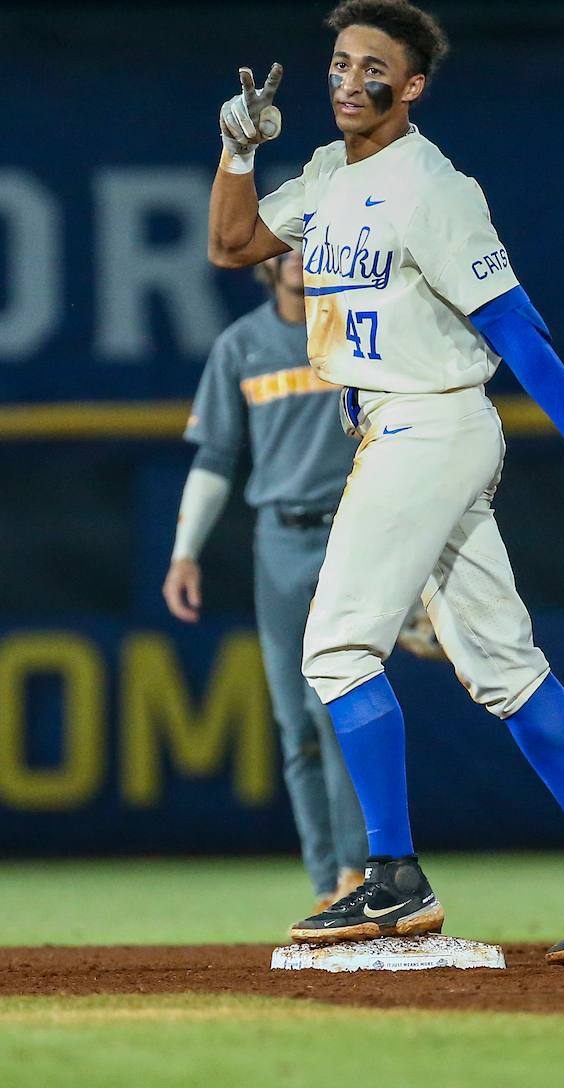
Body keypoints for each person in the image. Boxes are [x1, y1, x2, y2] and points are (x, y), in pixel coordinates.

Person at [207, 0, 564, 966]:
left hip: (426, 425)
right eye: (337, 64)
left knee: (335, 653)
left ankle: (391, 879)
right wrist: (237, 152)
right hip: (407, 429)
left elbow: (512, 321)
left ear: (412, 84)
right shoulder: (330, 174)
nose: (347, 81)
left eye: (370, 66)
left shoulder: (434, 186)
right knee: (502, 668)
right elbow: (233, 245)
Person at [162, 249, 368, 911]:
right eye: (280, 245)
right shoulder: (242, 346)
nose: (294, 258)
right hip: (277, 538)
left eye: (307, 242)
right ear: (261, 260)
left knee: (331, 709)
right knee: (294, 724)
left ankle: (357, 873)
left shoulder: (358, 329)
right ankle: (324, 884)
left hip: (351, 532)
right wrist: (184, 552)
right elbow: (215, 457)